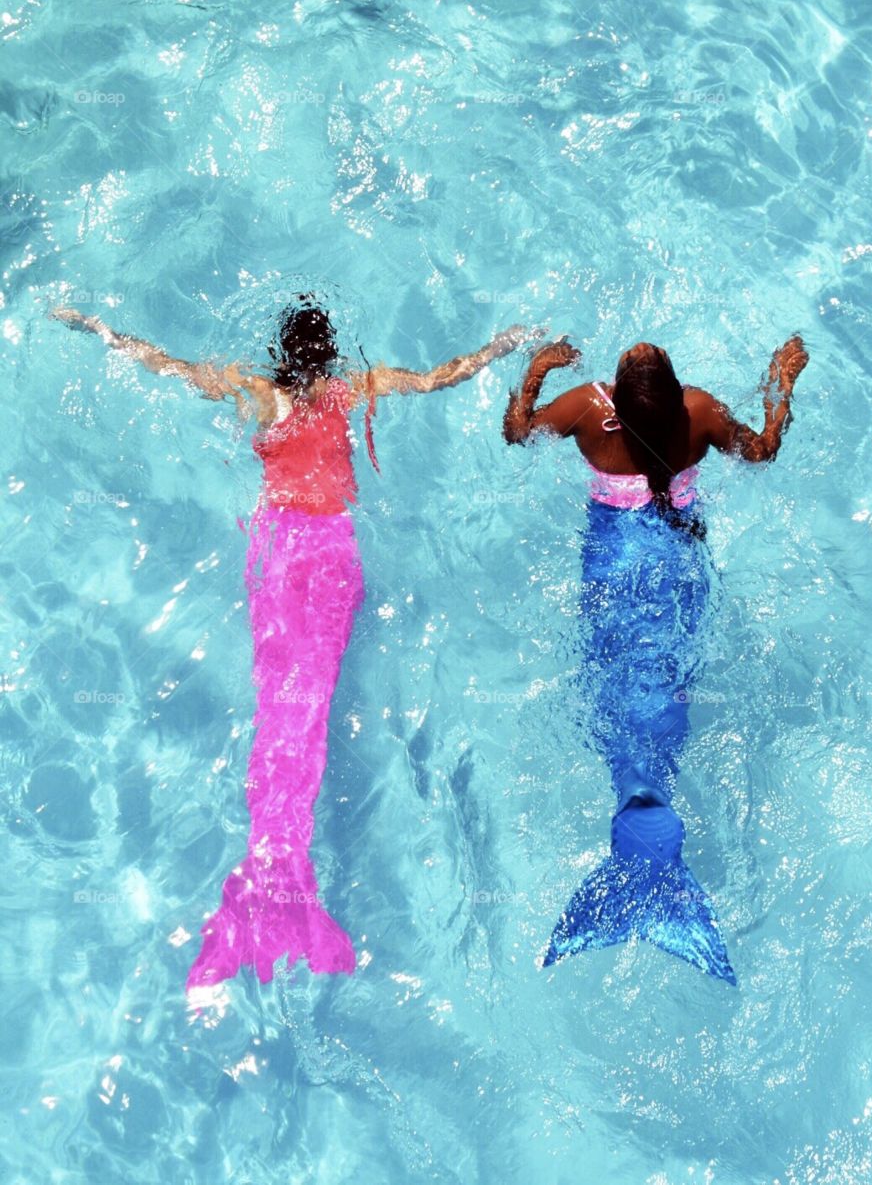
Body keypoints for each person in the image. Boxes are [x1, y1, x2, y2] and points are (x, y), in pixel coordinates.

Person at [51, 298, 530, 994]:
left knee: (282, 713)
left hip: (278, 554)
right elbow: (436, 378)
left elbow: (165, 366)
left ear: (280, 352)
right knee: (306, 714)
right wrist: (500, 348)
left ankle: (269, 878)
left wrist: (98, 329)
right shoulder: (353, 389)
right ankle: (283, 884)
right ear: (332, 354)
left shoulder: (259, 395)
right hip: (334, 556)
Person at [503, 334, 808, 984]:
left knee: (619, 689)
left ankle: (642, 859)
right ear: (673, 398)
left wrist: (532, 373)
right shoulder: (697, 412)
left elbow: (517, 433)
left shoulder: (587, 410)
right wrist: (780, 383)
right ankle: (652, 867)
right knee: (668, 686)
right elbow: (763, 451)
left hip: (612, 568)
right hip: (679, 568)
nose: (644, 347)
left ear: (613, 398)